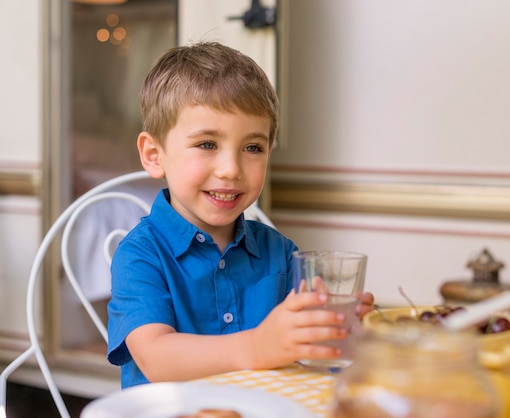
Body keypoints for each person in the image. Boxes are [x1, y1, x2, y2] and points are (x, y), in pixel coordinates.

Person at [106, 41, 375, 388]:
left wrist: (330, 330)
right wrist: (259, 346)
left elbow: (303, 354)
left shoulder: (280, 252)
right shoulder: (141, 255)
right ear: (155, 155)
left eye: (252, 148)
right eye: (207, 144)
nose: (231, 169)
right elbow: (157, 357)